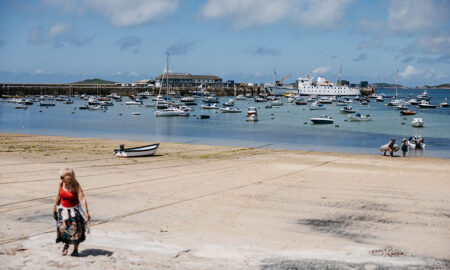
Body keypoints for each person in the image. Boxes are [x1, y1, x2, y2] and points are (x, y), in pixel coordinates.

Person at [53, 168, 90, 256]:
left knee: (76, 231)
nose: (60, 178)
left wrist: (86, 212)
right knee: (64, 230)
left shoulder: (76, 185)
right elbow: (58, 195)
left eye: (62, 177)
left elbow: (82, 198)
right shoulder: (61, 183)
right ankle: (66, 245)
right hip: (63, 211)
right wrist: (55, 206)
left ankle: (75, 250)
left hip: (74, 211)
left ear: (68, 177)